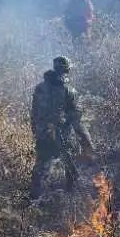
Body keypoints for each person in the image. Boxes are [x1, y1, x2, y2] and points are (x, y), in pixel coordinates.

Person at [30, 56, 94, 199]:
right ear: (66, 69)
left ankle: (34, 200)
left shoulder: (40, 87)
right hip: (61, 136)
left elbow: (34, 113)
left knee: (40, 168)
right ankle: (69, 201)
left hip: (43, 134)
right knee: (71, 167)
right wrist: (87, 142)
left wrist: (36, 131)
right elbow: (76, 120)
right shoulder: (69, 90)